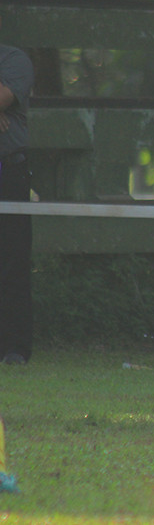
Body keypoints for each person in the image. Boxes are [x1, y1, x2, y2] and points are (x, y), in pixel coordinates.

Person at [0, 19, 33, 367]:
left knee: (11, 260)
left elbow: (4, 96)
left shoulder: (14, 61)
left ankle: (13, 348)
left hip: (7, 171)